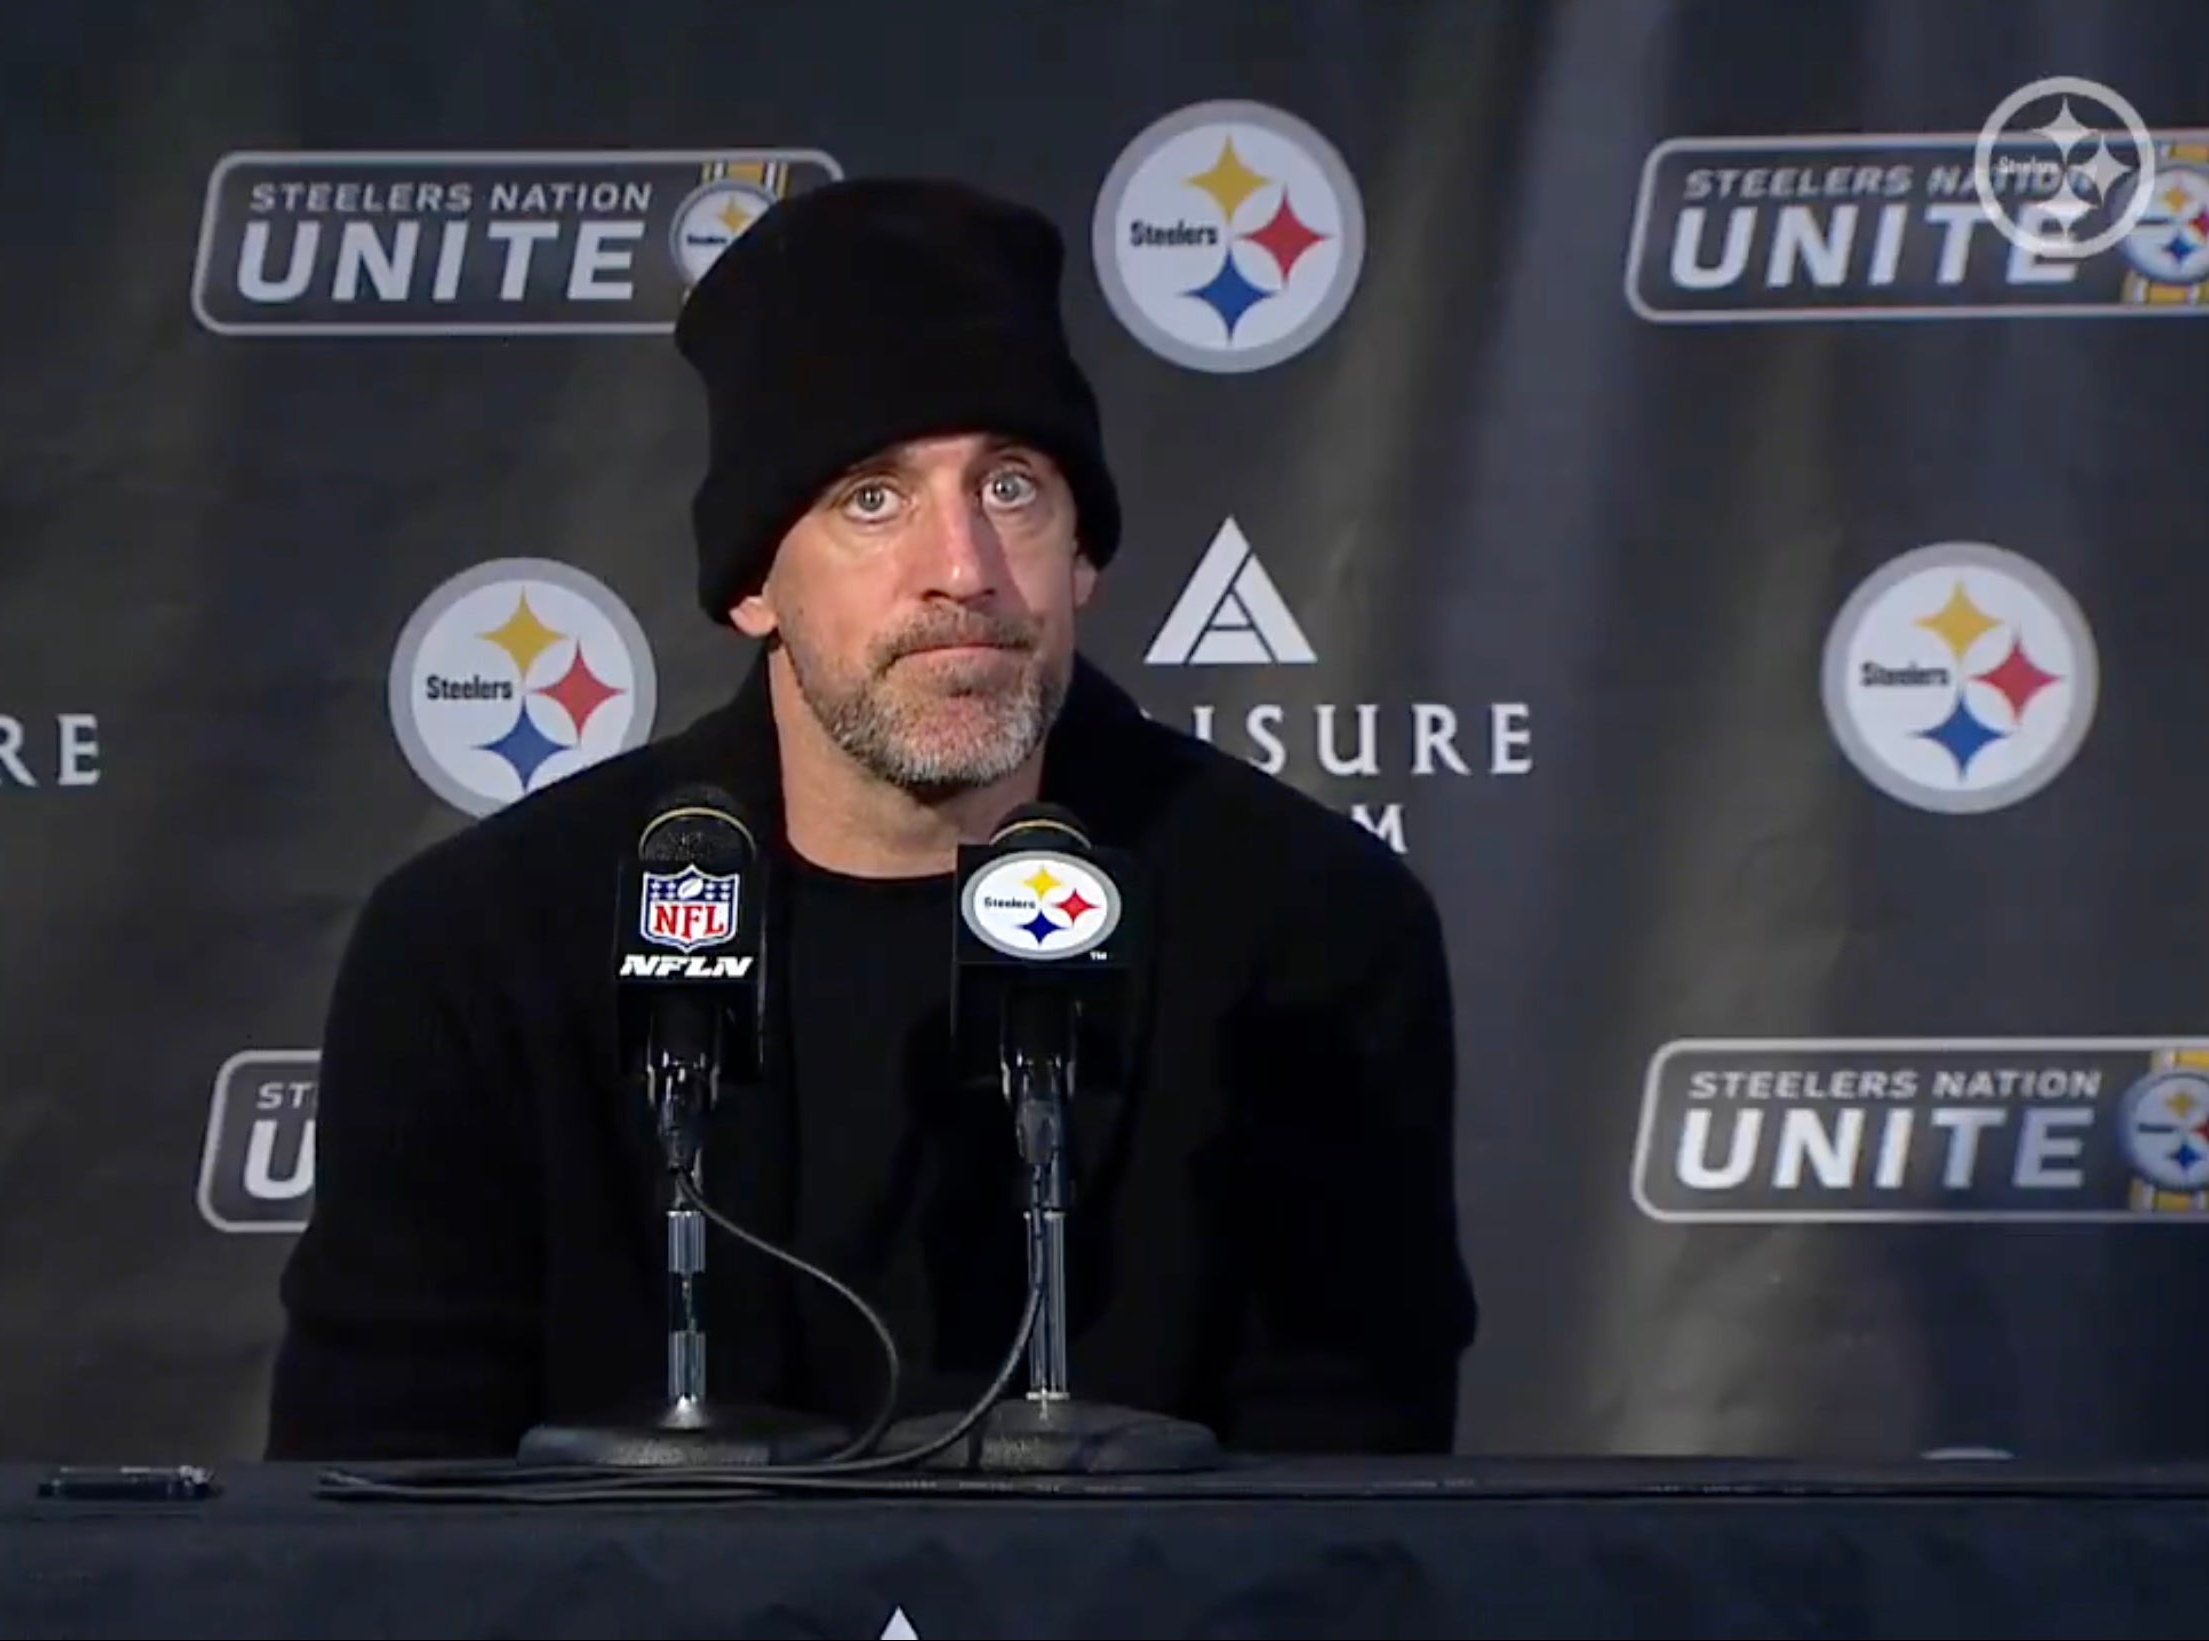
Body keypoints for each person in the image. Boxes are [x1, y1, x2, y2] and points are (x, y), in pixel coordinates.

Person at [265, 177, 1476, 1461]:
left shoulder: (1310, 927)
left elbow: (1353, 1505)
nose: (963, 568)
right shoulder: (484, 947)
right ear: (752, 587)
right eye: (873, 499)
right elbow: (377, 1507)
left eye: (1012, 488)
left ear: (1084, 559)